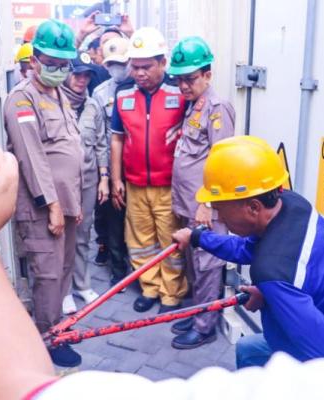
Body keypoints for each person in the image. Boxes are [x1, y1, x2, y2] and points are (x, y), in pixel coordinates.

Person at [0, 1, 324, 398]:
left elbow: (2, 388)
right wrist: (206, 239)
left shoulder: (283, 274)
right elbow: (257, 254)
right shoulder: (294, 209)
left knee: (262, 350)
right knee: (250, 348)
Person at [173, 136, 324, 365]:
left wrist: (271, 303)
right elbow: (248, 249)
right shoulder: (291, 205)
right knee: (247, 349)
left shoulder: (273, 271)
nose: (217, 216)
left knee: (260, 357)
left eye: (220, 209)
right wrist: (197, 237)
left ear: (253, 208)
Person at [3, 19, 83, 367]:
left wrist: (72, 203)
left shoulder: (59, 93)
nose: (57, 70)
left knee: (63, 269)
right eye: (50, 63)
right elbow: (32, 156)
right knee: (48, 275)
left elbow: (70, 146)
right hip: (41, 207)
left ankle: (57, 331)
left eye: (63, 64)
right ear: (34, 59)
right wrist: (51, 204)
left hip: (65, 204)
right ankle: (46, 341)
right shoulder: (22, 99)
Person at [110, 27, 188, 313]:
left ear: (162, 63)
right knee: (140, 241)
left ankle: (172, 293)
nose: (139, 73)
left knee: (169, 240)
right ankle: (150, 288)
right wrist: (116, 178)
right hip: (134, 184)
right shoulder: (122, 93)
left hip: (168, 184)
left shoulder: (179, 92)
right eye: (135, 66)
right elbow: (117, 137)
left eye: (146, 66)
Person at [167, 36, 235, 349]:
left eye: (190, 79)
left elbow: (221, 159)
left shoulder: (218, 107)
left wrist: (207, 202)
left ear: (207, 74)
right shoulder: (195, 103)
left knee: (207, 261)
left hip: (204, 205)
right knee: (194, 260)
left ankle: (205, 326)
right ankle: (197, 312)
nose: (183, 86)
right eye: (179, 79)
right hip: (187, 201)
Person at [59, 52, 107, 313]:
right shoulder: (54, 103)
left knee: (83, 234)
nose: (81, 79)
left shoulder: (93, 105)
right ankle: (64, 290)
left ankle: (82, 284)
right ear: (67, 74)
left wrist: (104, 178)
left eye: (86, 75)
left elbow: (101, 143)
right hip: (64, 184)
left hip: (89, 179)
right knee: (63, 237)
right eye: (77, 73)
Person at [92, 37, 131, 286]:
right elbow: (101, 137)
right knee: (114, 219)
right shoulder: (100, 93)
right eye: (111, 64)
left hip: (139, 165)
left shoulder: (141, 88)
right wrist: (106, 175)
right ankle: (118, 270)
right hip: (113, 164)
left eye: (121, 63)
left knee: (139, 221)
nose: (116, 68)